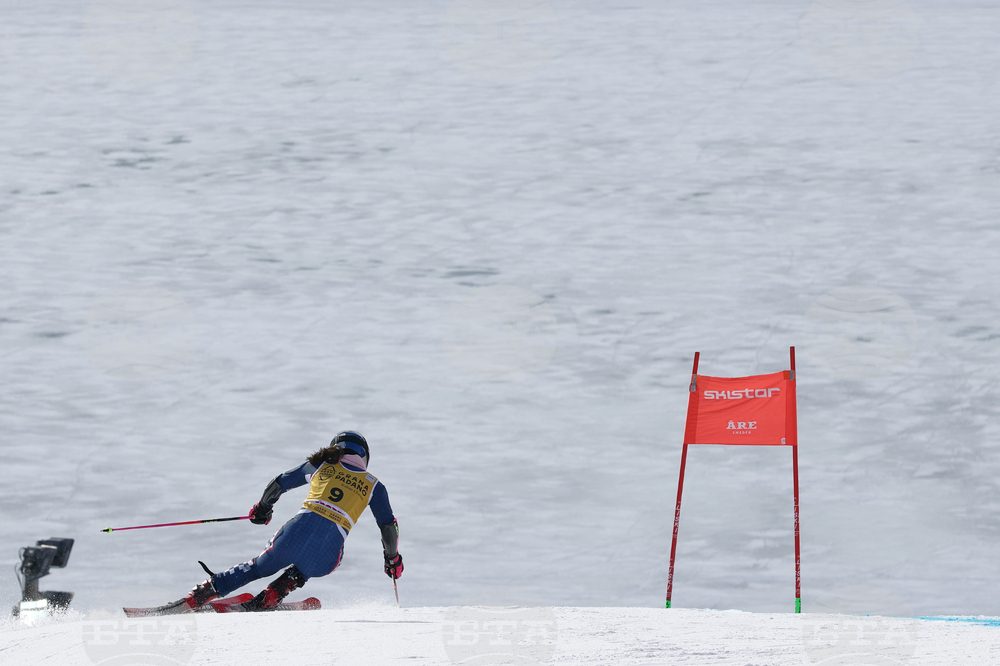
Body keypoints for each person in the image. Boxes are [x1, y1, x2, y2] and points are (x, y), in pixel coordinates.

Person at [182, 431, 403, 612]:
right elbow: (388, 527)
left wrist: (262, 509)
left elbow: (280, 483)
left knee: (258, 567)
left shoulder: (321, 465)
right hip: (327, 555)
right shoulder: (374, 486)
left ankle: (202, 594)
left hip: (294, 534)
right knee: (313, 561)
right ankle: (281, 587)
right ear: (364, 456)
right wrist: (392, 560)